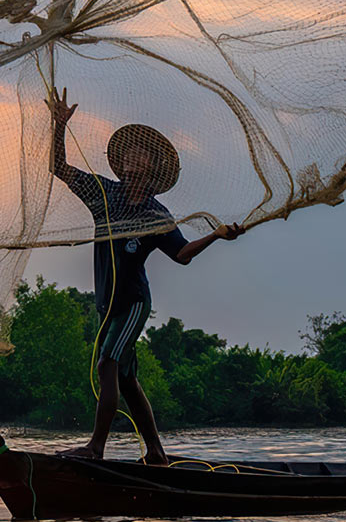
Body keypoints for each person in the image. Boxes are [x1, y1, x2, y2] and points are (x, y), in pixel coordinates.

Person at [48, 88, 246, 463]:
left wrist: (217, 236)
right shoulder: (104, 194)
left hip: (133, 304)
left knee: (107, 365)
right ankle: (156, 453)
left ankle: (95, 449)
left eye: (139, 153)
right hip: (106, 304)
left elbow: (183, 255)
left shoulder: (157, 215)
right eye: (126, 153)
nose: (129, 157)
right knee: (125, 379)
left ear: (151, 166)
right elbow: (59, 167)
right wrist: (59, 127)